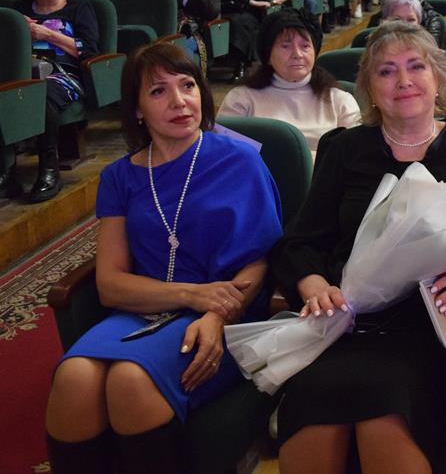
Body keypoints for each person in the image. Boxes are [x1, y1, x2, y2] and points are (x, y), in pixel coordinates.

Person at [268, 21, 446, 473]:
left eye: (416, 66)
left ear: (439, 79)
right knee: (312, 415)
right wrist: (313, 284)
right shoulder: (344, 149)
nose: (404, 80)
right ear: (370, 90)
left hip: (437, 327)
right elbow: (300, 242)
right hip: (347, 324)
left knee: (384, 413)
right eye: (387, 71)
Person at [44, 42, 282, 474]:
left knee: (130, 380)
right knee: (74, 379)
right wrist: (191, 295)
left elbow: (261, 260)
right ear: (137, 109)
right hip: (147, 308)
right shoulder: (118, 177)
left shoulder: (241, 160)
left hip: (228, 313)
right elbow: (110, 284)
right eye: (158, 91)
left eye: (187, 85)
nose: (179, 101)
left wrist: (216, 315)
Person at [5, 0, 100, 202]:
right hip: (24, 71)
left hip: (65, 73)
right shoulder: (18, 10)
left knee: (42, 93)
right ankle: (6, 172)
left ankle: (49, 170)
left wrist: (46, 34)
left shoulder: (79, 7)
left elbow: (89, 51)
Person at [218, 9, 359, 156]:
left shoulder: (339, 100)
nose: (297, 54)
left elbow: (354, 157)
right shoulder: (241, 99)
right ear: (268, 55)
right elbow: (225, 155)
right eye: (285, 46)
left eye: (305, 46)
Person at [221, 0, 272, 81]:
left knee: (242, 23)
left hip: (255, 15)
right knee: (237, 22)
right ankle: (244, 62)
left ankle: (241, 63)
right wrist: (250, 2)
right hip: (234, 12)